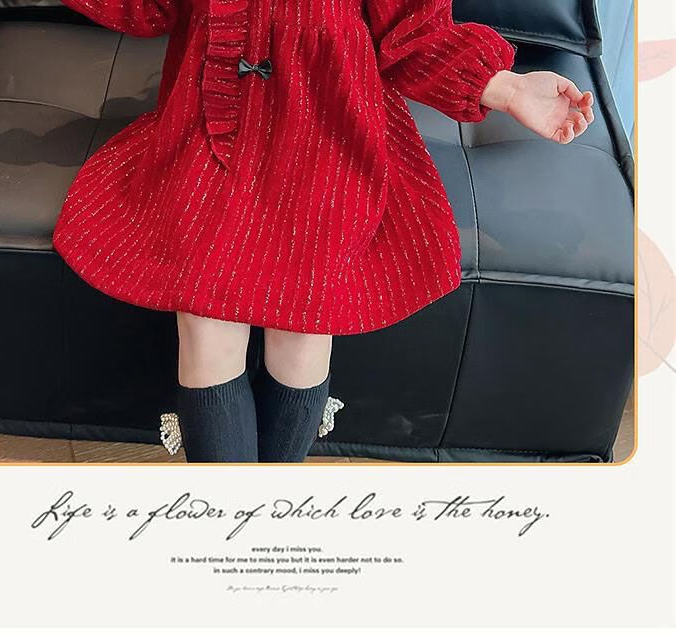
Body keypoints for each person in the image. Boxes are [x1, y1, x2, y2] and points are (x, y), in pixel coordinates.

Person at [52, 0, 595, 463]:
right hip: (209, 129)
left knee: (304, 330)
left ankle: (269, 511)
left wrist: (507, 87)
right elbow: (153, 8)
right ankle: (228, 522)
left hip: (330, 134)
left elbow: (413, 32)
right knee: (206, 324)